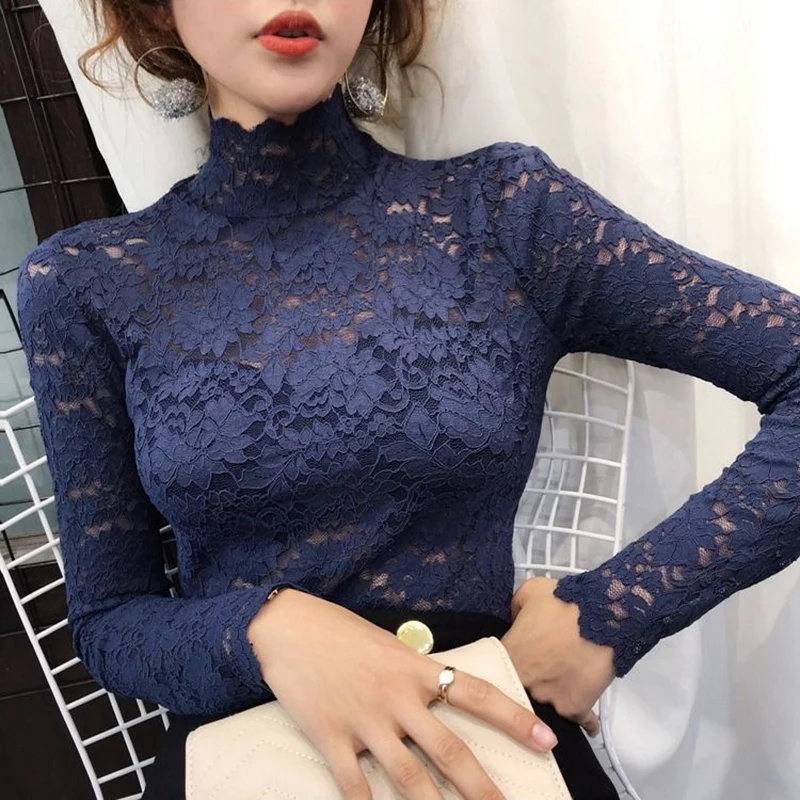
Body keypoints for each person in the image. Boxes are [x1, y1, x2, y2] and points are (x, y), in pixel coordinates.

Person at [15, 0, 800, 798]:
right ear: (156, 8)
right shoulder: (88, 283)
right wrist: (267, 629)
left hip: (491, 745)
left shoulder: (501, 212)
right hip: (250, 759)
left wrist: (609, 615)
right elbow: (111, 621)